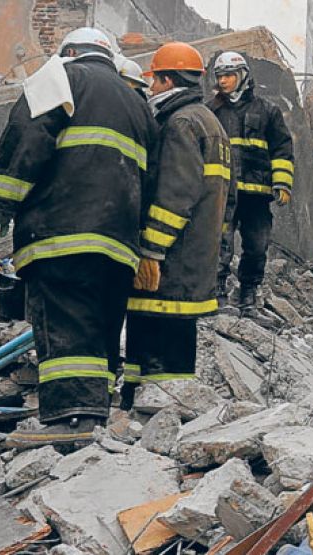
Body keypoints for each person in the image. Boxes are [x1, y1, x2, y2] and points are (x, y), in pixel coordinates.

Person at [0, 28, 157, 448]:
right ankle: (94, 416)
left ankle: (69, 421)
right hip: (120, 243)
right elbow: (151, 181)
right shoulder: (138, 104)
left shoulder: (59, 76)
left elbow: (24, 147)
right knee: (99, 328)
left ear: (68, 52)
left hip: (60, 233)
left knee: (65, 324)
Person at [119, 43, 234, 409]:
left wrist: (151, 250)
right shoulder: (208, 120)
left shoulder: (180, 123)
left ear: (168, 79)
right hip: (194, 254)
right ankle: (148, 404)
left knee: (161, 337)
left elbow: (175, 195)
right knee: (170, 338)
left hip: (172, 258)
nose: (151, 89)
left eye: (155, 81)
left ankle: (158, 410)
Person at [211, 51, 294, 315]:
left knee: (257, 247)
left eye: (228, 76)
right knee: (220, 243)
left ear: (243, 75)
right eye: (220, 76)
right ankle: (217, 295)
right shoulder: (211, 111)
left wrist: (282, 183)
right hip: (224, 193)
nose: (223, 81)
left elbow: (282, 149)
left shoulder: (268, 111)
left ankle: (247, 297)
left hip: (257, 196)